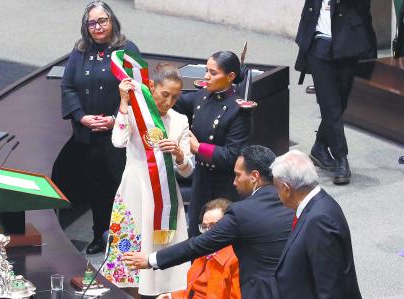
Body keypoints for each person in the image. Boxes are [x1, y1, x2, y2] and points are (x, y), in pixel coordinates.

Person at [122, 145, 294, 299]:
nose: (234, 182)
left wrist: (151, 259)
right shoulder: (291, 200)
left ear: (255, 176)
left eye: (237, 175)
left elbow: (198, 245)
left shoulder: (243, 212)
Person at [51, 1, 140, 254]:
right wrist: (81, 117)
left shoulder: (127, 49)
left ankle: (124, 241)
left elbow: (137, 90)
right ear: (85, 26)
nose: (98, 26)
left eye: (103, 21)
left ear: (112, 22)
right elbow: (68, 87)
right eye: (92, 23)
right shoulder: (79, 51)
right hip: (88, 135)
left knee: (119, 188)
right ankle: (100, 236)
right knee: (96, 188)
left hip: (118, 135)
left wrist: (115, 118)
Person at [101, 63, 192, 296]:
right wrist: (123, 103)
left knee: (166, 257)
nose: (169, 102)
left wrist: (180, 154)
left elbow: (186, 171)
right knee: (131, 254)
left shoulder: (180, 120)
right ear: (151, 86)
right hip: (135, 191)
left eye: (175, 97)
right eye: (165, 94)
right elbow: (118, 141)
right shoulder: (134, 113)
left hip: (166, 198)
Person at [296, 0, 376, 185]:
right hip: (317, 45)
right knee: (330, 105)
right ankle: (341, 158)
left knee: (339, 103)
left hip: (347, 43)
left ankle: (320, 146)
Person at [173, 51, 252, 236]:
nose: (206, 76)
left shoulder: (238, 110)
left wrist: (198, 147)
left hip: (225, 184)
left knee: (220, 236)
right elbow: (173, 103)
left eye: (213, 73)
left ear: (231, 76)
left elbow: (232, 155)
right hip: (201, 181)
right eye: (207, 70)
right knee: (196, 232)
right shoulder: (201, 96)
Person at [271, 150, 361, 298]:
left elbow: (329, 289)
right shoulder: (314, 204)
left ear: (287, 189)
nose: (276, 193)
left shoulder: (319, 220)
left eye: (277, 187)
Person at [157, 198, 241, 299]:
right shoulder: (202, 253)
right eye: (205, 227)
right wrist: (173, 296)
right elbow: (194, 292)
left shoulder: (236, 260)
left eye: (214, 226)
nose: (208, 232)